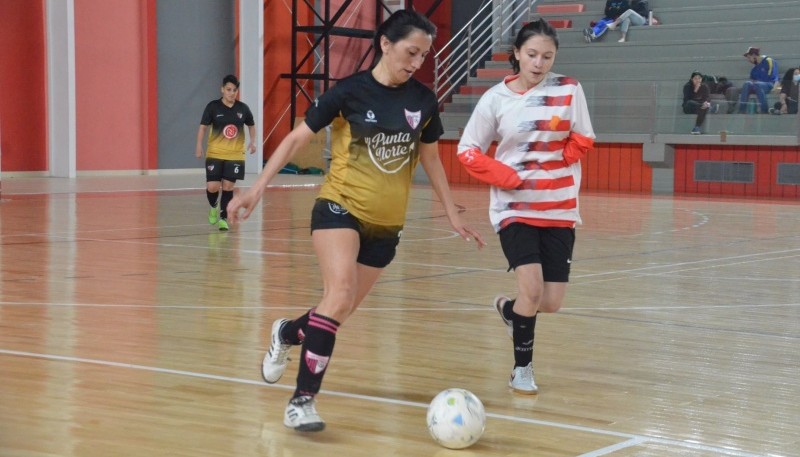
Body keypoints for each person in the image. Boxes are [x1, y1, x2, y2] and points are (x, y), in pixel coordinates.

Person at [226, 9, 485, 431]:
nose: (416, 62)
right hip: (339, 207)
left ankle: (287, 333)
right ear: (385, 43)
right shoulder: (349, 93)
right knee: (340, 291)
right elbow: (296, 138)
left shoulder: (421, 100)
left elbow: (430, 155)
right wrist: (257, 189)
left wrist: (451, 210)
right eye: (410, 52)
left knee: (338, 310)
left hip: (387, 224)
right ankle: (301, 401)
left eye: (423, 56)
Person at [457, 19, 594, 394]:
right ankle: (522, 369)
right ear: (516, 54)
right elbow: (467, 149)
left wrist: (562, 157)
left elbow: (584, 135)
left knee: (549, 303)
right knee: (532, 291)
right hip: (513, 208)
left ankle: (509, 311)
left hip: (560, 208)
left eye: (547, 56)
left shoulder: (569, 89)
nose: (539, 63)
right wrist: (506, 176)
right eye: (532, 54)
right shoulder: (495, 99)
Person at [195, 74, 256, 231]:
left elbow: (251, 125)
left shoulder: (243, 108)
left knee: (228, 186)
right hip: (215, 153)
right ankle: (214, 206)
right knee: (213, 186)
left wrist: (253, 141)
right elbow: (203, 127)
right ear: (222, 89)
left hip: (235, 155)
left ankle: (223, 218)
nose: (231, 93)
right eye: (228, 89)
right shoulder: (213, 107)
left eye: (234, 90)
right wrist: (198, 145)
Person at [737, 47, 780, 114]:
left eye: (749, 57)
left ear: (754, 55)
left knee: (757, 84)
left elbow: (775, 76)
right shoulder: (754, 68)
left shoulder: (769, 60)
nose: (748, 60)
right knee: (747, 83)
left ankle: (764, 110)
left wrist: (776, 86)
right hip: (758, 86)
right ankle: (741, 111)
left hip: (769, 84)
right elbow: (752, 81)